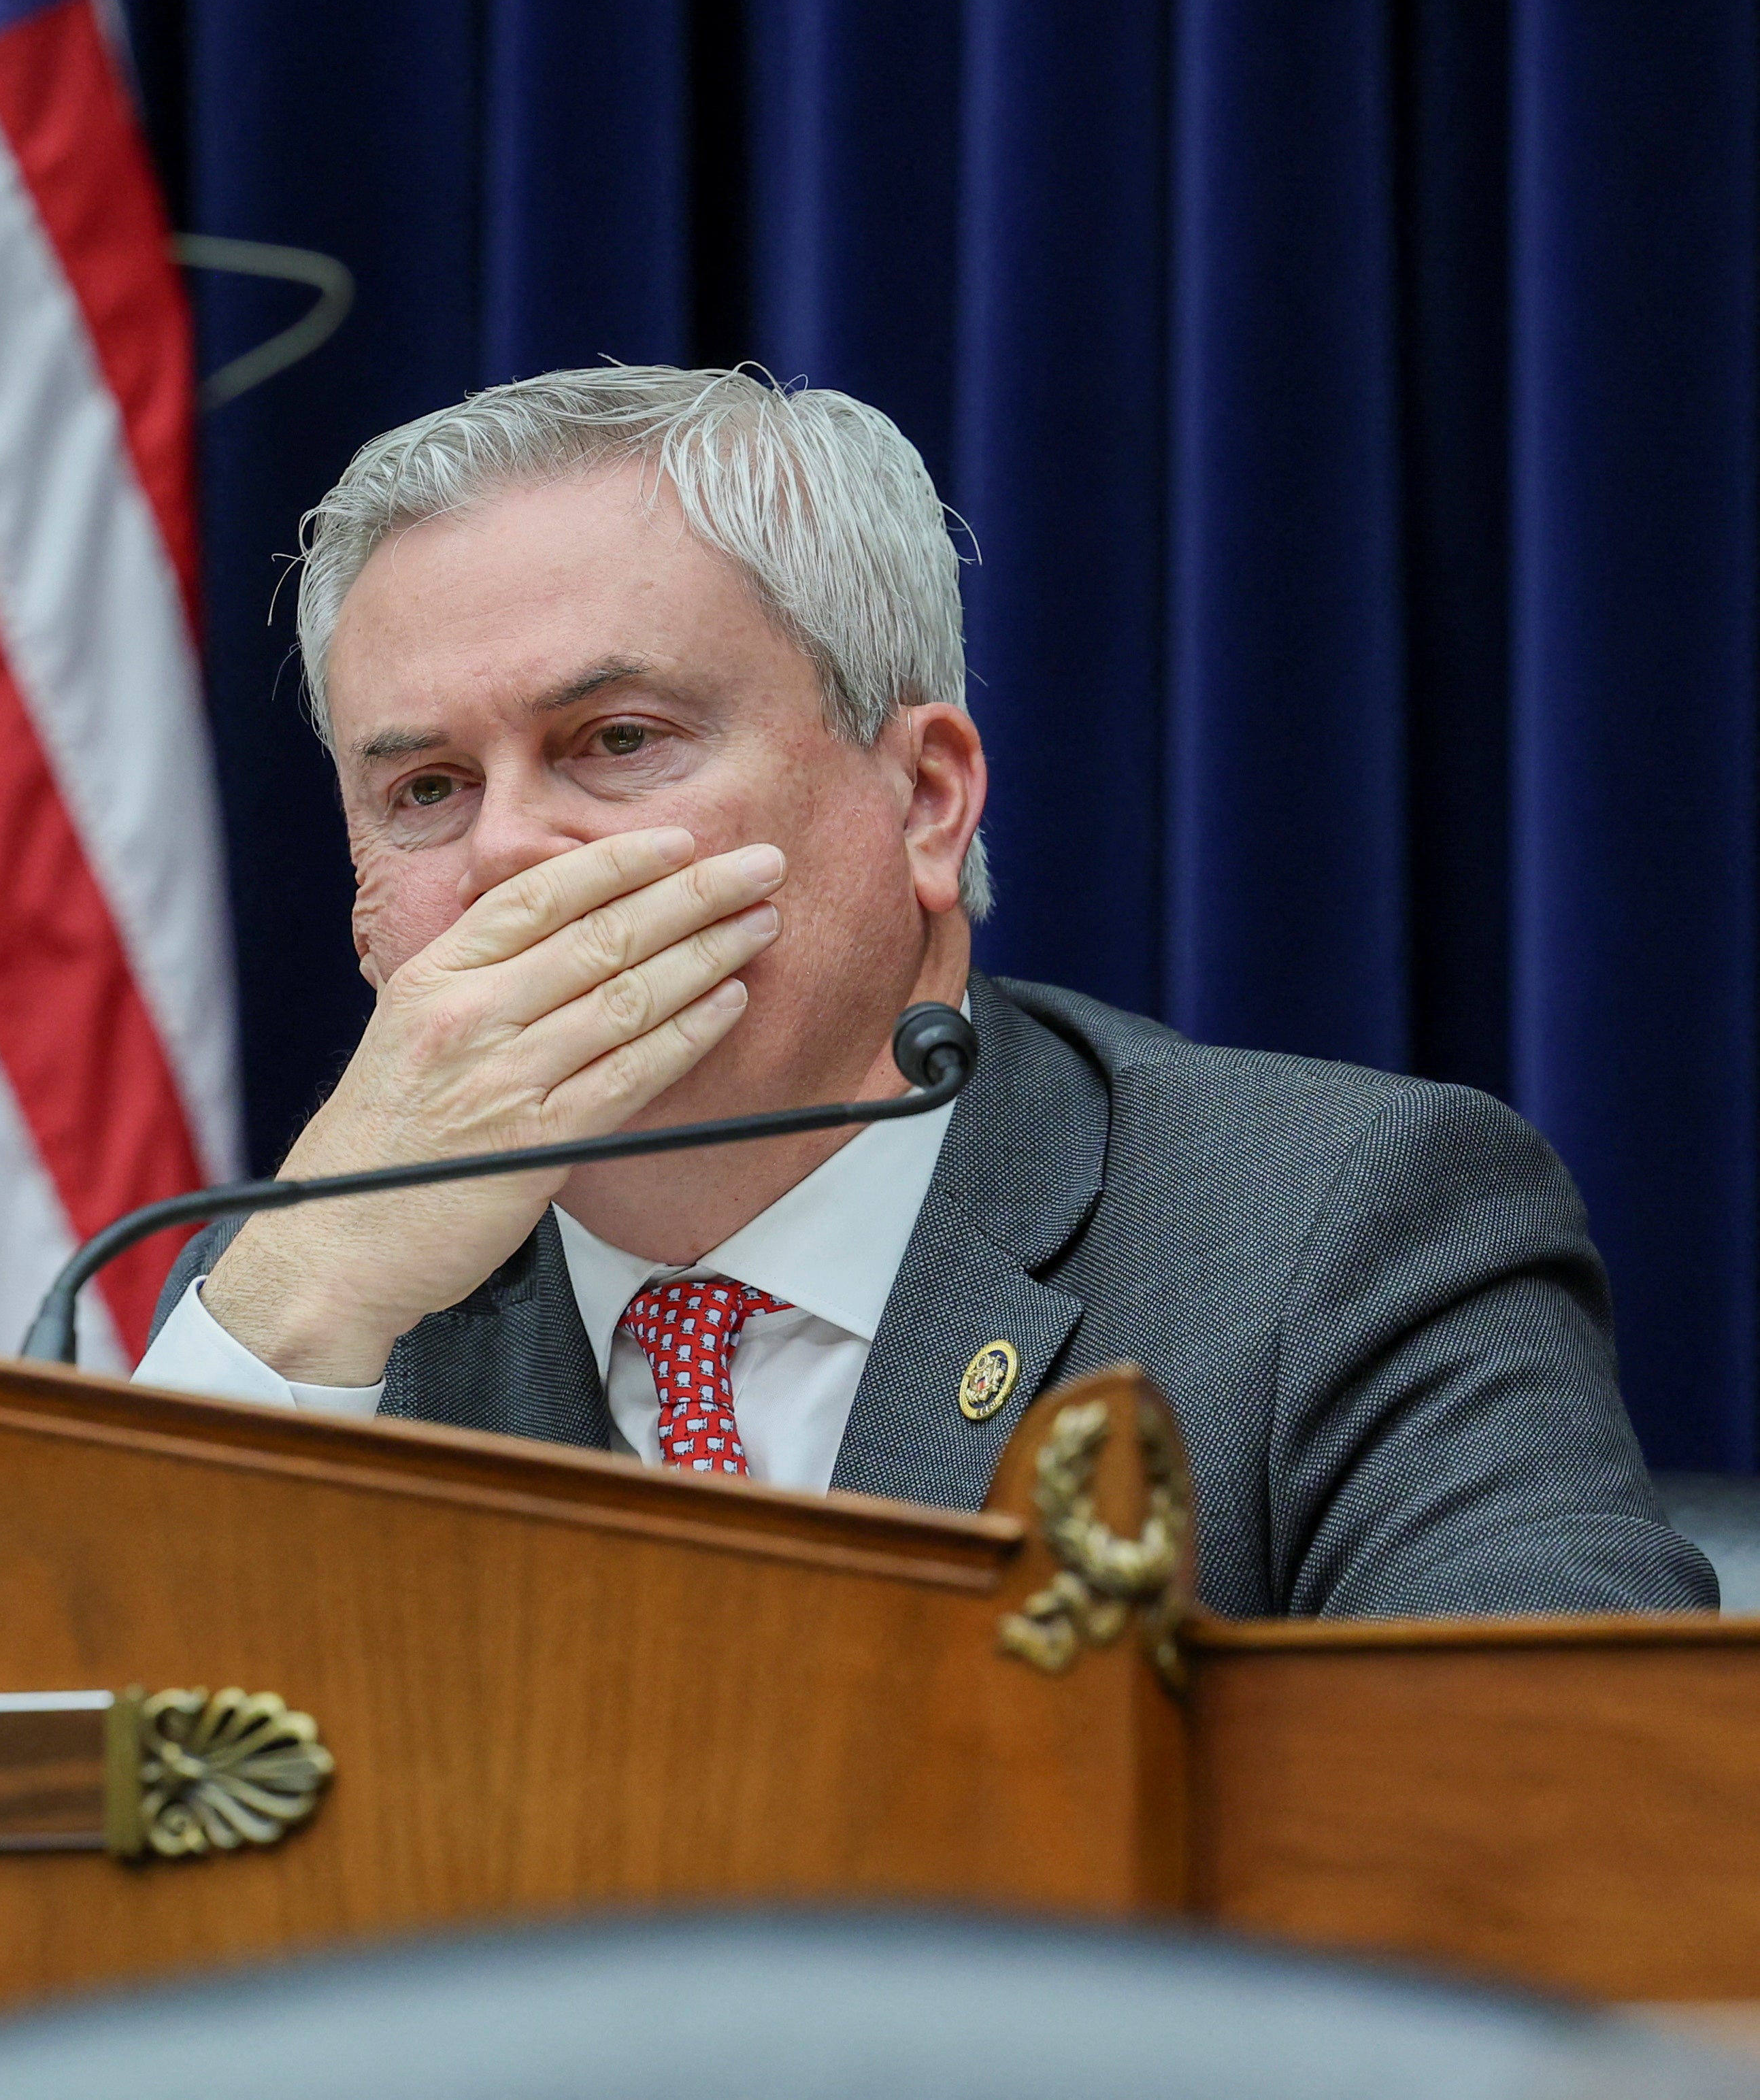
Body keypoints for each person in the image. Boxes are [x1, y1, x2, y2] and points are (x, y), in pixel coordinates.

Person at [136, 365, 1710, 1618]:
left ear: (924, 801)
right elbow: (71, 1850)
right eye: (422, 789)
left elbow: (1559, 1833)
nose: (505, 853)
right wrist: (298, 1297)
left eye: (616, 741)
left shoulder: (1330, 1236)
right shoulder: (299, 1310)